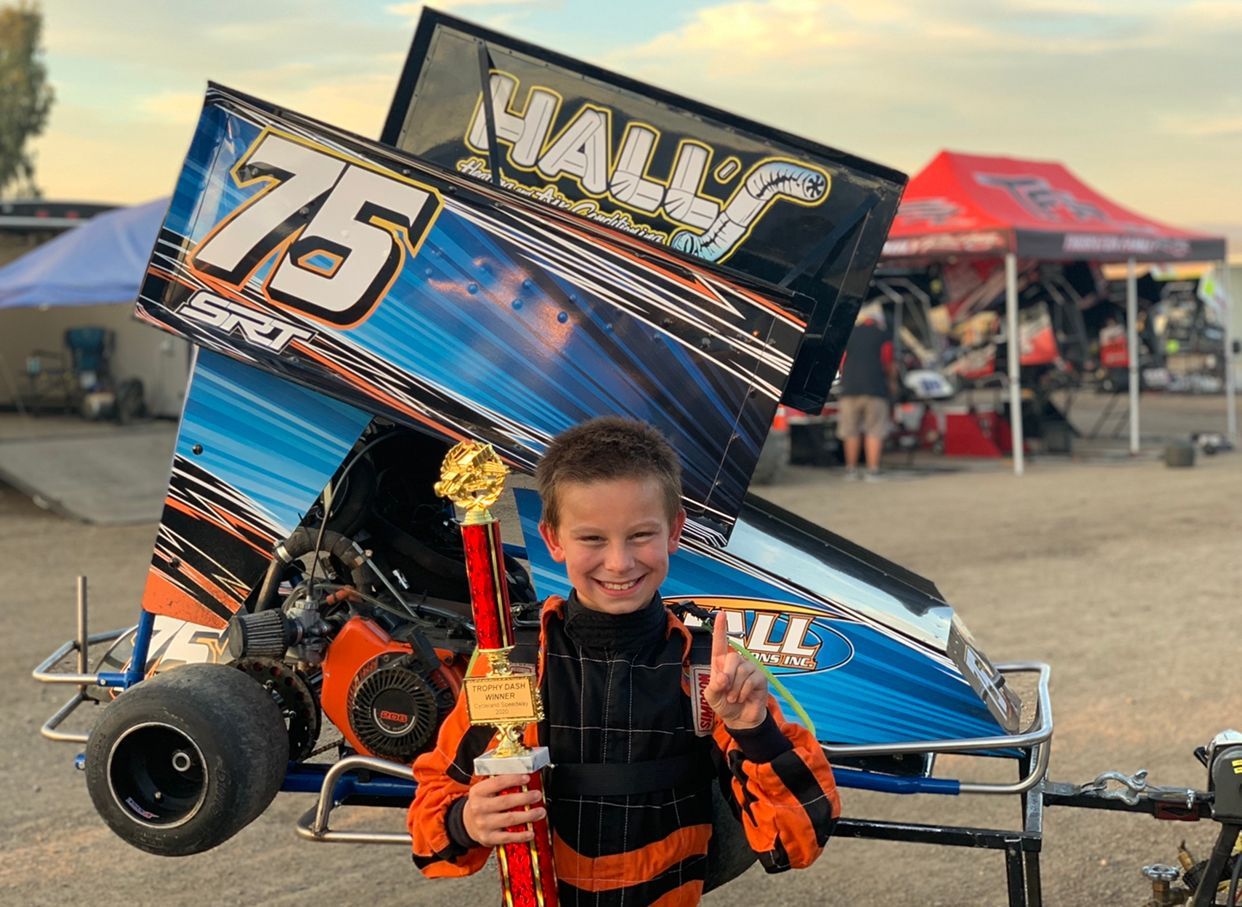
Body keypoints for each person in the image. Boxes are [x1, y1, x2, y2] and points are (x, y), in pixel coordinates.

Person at [409, 416, 839, 905]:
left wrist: (753, 730)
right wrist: (465, 821)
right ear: (553, 540)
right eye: (592, 539)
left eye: (640, 535)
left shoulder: (706, 672)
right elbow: (430, 819)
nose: (619, 562)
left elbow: (799, 839)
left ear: (674, 531)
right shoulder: (517, 664)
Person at [835, 304, 897, 481]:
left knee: (850, 431)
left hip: (849, 390)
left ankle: (851, 470)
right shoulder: (884, 336)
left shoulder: (849, 335)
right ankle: (872, 471)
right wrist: (892, 383)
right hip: (875, 389)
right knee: (874, 430)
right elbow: (889, 363)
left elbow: (841, 363)